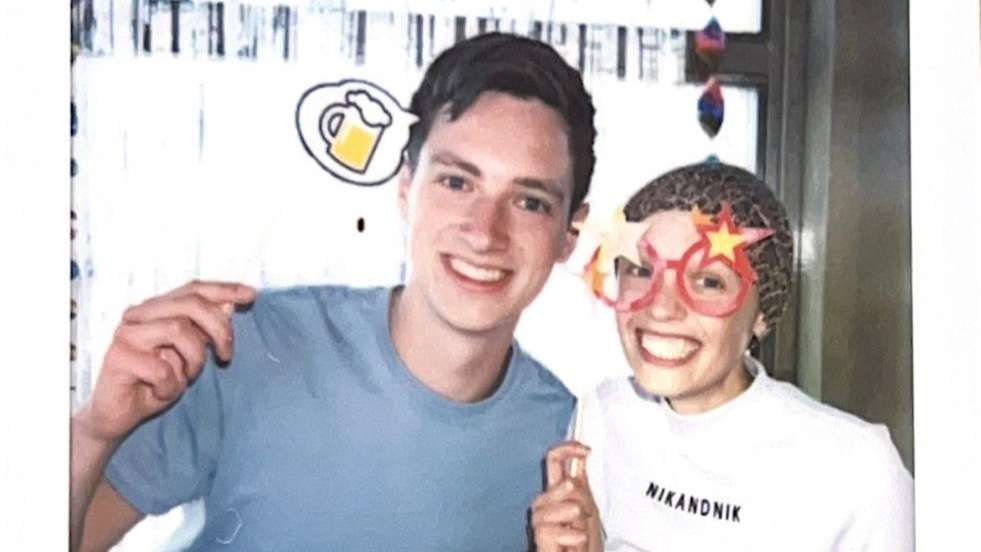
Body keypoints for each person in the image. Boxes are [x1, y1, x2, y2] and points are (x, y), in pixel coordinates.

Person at [70, 32, 597, 551]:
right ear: (406, 188)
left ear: (569, 235)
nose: (484, 233)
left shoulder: (571, 447)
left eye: (529, 202)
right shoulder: (250, 347)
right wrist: (94, 431)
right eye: (457, 182)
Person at [531, 161, 913, 551]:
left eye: (708, 281)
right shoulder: (601, 417)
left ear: (762, 314)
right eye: (642, 271)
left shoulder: (857, 469)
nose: (660, 309)